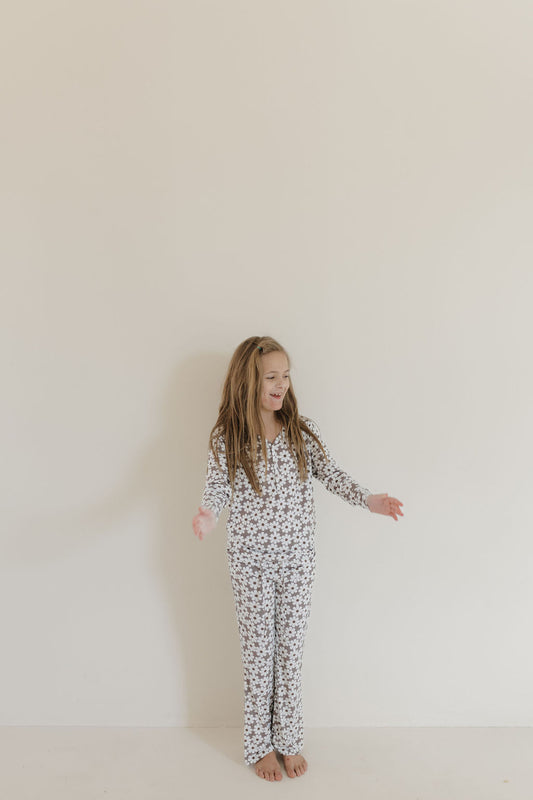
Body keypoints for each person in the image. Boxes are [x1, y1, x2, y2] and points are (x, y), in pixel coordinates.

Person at [192, 336, 404, 782]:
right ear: (247, 382)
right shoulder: (227, 438)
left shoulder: (302, 431)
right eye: (271, 376)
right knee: (259, 656)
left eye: (285, 375)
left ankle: (288, 739)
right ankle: (259, 744)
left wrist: (369, 500)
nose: (281, 384)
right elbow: (217, 490)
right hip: (250, 563)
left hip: (297, 561)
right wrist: (208, 517)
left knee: (289, 653)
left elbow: (329, 472)